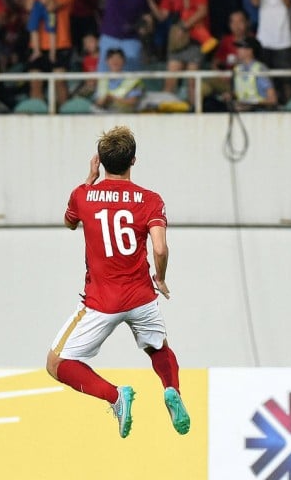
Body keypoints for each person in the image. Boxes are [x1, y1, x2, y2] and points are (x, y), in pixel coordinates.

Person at [47, 125, 190, 439]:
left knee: (57, 363)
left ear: (98, 160)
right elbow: (160, 247)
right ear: (133, 161)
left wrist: (89, 180)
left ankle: (115, 396)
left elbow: (70, 223)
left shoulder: (83, 196)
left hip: (101, 302)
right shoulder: (150, 200)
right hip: (141, 297)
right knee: (158, 348)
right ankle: (172, 389)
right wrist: (161, 278)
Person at [228, 38, 278, 111]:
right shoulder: (237, 69)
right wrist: (230, 96)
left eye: (241, 47)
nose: (237, 50)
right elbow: (238, 93)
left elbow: (272, 99)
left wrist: (251, 105)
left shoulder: (259, 68)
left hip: (259, 112)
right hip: (241, 112)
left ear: (250, 51)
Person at [94, 48, 144, 113]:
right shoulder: (101, 80)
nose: (115, 61)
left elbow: (133, 102)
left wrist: (112, 99)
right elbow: (96, 103)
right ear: (106, 61)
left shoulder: (133, 80)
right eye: (111, 58)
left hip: (126, 118)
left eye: (118, 58)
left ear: (124, 61)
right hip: (102, 117)